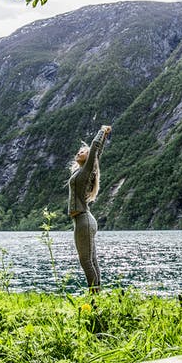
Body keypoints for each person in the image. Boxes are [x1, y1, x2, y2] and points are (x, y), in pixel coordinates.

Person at [68, 125, 112, 293]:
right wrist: (104, 138)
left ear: (88, 158)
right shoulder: (82, 171)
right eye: (79, 152)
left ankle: (94, 296)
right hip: (84, 220)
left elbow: (95, 149)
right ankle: (97, 294)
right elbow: (96, 153)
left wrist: (102, 131)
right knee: (91, 260)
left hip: (83, 220)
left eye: (83, 152)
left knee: (86, 261)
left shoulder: (87, 171)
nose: (79, 153)